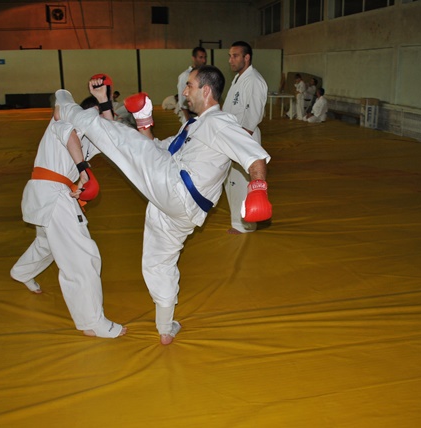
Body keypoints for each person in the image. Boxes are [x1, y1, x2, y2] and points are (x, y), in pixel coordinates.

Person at [54, 65, 272, 345]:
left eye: (190, 86)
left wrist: (258, 189)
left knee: (124, 141)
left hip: (177, 189)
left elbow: (254, 156)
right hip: (178, 208)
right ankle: (166, 327)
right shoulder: (193, 125)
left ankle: (64, 106)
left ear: (206, 90)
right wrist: (143, 123)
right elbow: (156, 150)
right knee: (158, 263)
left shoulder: (219, 122)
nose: (184, 92)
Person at [10, 96, 127, 339]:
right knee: (81, 256)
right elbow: (69, 132)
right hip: (52, 193)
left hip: (49, 192)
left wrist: (105, 103)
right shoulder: (66, 119)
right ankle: (91, 321)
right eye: (93, 114)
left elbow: (112, 133)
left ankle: (22, 272)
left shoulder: (89, 137)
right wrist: (83, 169)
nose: (95, 120)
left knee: (47, 243)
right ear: (85, 111)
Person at [222, 41, 268, 234]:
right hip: (233, 138)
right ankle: (238, 222)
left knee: (242, 182)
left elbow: (253, 115)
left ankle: (247, 225)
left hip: (244, 138)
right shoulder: (238, 79)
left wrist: (239, 143)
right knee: (231, 182)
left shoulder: (254, 80)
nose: (230, 60)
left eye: (235, 56)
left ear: (246, 57)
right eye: (230, 56)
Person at [176, 47, 207, 123]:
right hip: (190, 116)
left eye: (205, 57)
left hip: (203, 114)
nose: (204, 60)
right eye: (201, 57)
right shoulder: (185, 76)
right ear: (193, 58)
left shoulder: (205, 74)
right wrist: (188, 121)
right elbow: (182, 101)